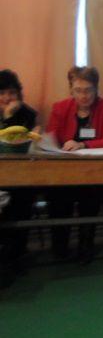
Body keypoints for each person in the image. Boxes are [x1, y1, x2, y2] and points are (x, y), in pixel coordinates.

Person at [46, 66, 103, 262]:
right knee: (57, 197)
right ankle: (60, 249)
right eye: (78, 90)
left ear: (96, 89)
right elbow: (51, 139)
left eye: (88, 90)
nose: (83, 95)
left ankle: (86, 247)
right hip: (63, 172)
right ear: (71, 89)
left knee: (90, 195)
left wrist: (82, 144)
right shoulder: (60, 108)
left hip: (93, 172)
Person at [0, 69, 38, 286]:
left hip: (22, 175)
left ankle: (16, 254)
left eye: (11, 93)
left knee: (24, 198)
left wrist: (11, 117)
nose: (7, 98)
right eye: (2, 93)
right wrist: (6, 117)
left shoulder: (27, 114)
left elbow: (21, 142)